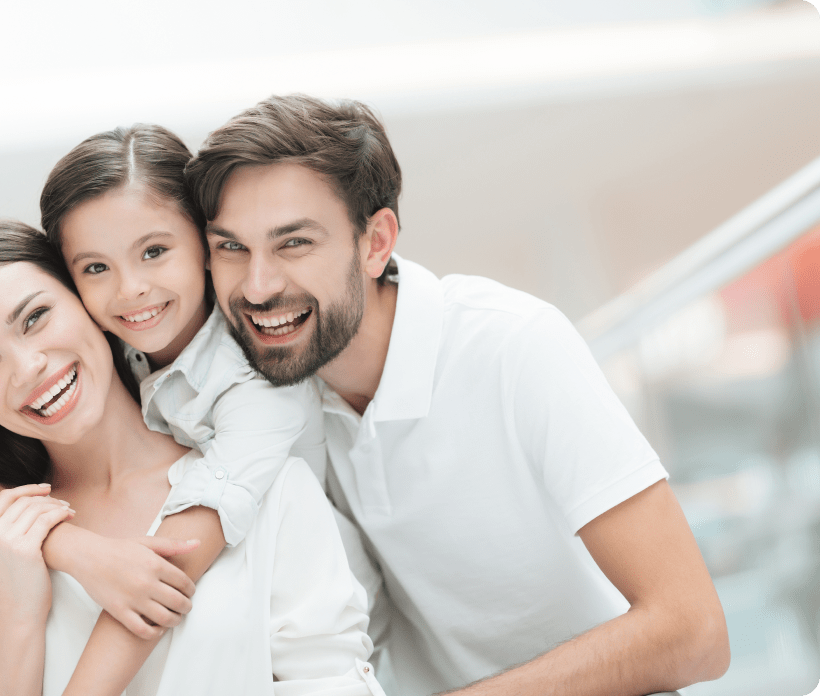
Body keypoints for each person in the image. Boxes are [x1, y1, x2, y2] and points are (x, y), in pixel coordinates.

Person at [183, 94, 732, 696]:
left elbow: (695, 632)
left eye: (294, 244)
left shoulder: (513, 345)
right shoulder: (265, 388)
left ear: (375, 243)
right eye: (231, 247)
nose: (258, 287)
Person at [0, 125, 384, 686]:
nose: (131, 290)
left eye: (154, 251)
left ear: (204, 243)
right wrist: (35, 530)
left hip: (338, 622)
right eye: (96, 267)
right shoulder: (122, 344)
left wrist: (83, 557)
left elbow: (161, 573)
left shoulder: (259, 389)